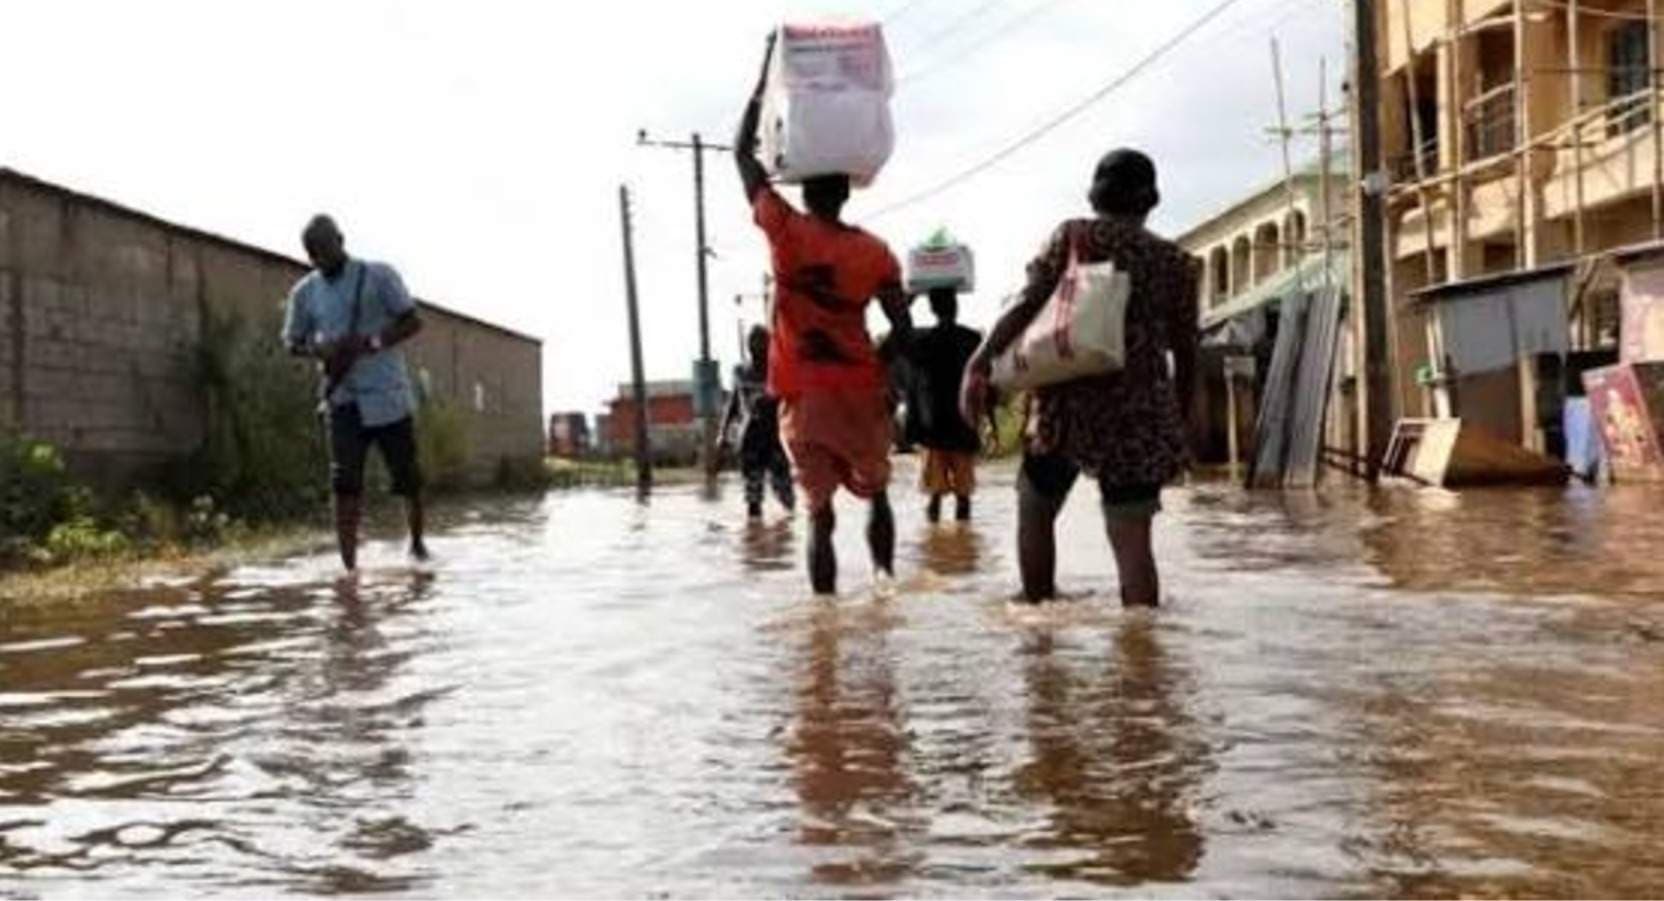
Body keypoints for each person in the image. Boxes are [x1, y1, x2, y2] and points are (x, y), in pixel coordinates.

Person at [961, 149, 1200, 607]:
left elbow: (1026, 304)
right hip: (1140, 415)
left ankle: (1039, 631)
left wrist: (979, 362)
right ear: (1151, 199)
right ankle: (1143, 659)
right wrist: (1181, 426)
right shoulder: (1175, 262)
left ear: (1096, 194)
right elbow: (1187, 352)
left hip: (1066, 410)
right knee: (1133, 544)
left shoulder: (1074, 236)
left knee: (1035, 511)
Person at [734, 34, 914, 596]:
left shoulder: (786, 234)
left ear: (806, 191)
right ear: (846, 193)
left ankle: (825, 619)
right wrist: (879, 370)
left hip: (804, 398)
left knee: (818, 515)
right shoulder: (876, 252)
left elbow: (743, 155)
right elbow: (903, 330)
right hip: (859, 389)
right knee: (877, 493)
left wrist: (765, 77)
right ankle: (886, 585)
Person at [282, 214, 430, 572]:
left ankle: (417, 543)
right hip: (342, 400)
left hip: (389, 397)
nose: (319, 258)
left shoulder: (379, 276)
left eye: (325, 249)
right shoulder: (304, 293)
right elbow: (291, 342)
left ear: (341, 241)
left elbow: (413, 320)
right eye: (312, 253)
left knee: (407, 478)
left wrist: (372, 342)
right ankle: (349, 570)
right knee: (344, 483)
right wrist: (318, 349)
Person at [906, 287, 984, 523]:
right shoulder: (972, 339)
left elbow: (898, 343)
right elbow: (983, 379)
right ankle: (963, 549)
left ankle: (936, 549)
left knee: (934, 498)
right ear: (956, 306)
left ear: (931, 308)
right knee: (964, 498)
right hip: (963, 426)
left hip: (933, 429)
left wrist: (908, 302)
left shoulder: (922, 341)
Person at [719, 325, 796, 519]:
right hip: (750, 440)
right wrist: (723, 433)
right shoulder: (740, 372)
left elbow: (792, 403)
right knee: (753, 497)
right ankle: (756, 538)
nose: (756, 347)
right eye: (753, 342)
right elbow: (734, 404)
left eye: (762, 343)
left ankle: (783, 533)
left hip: (775, 440)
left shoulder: (779, 371)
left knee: (786, 495)